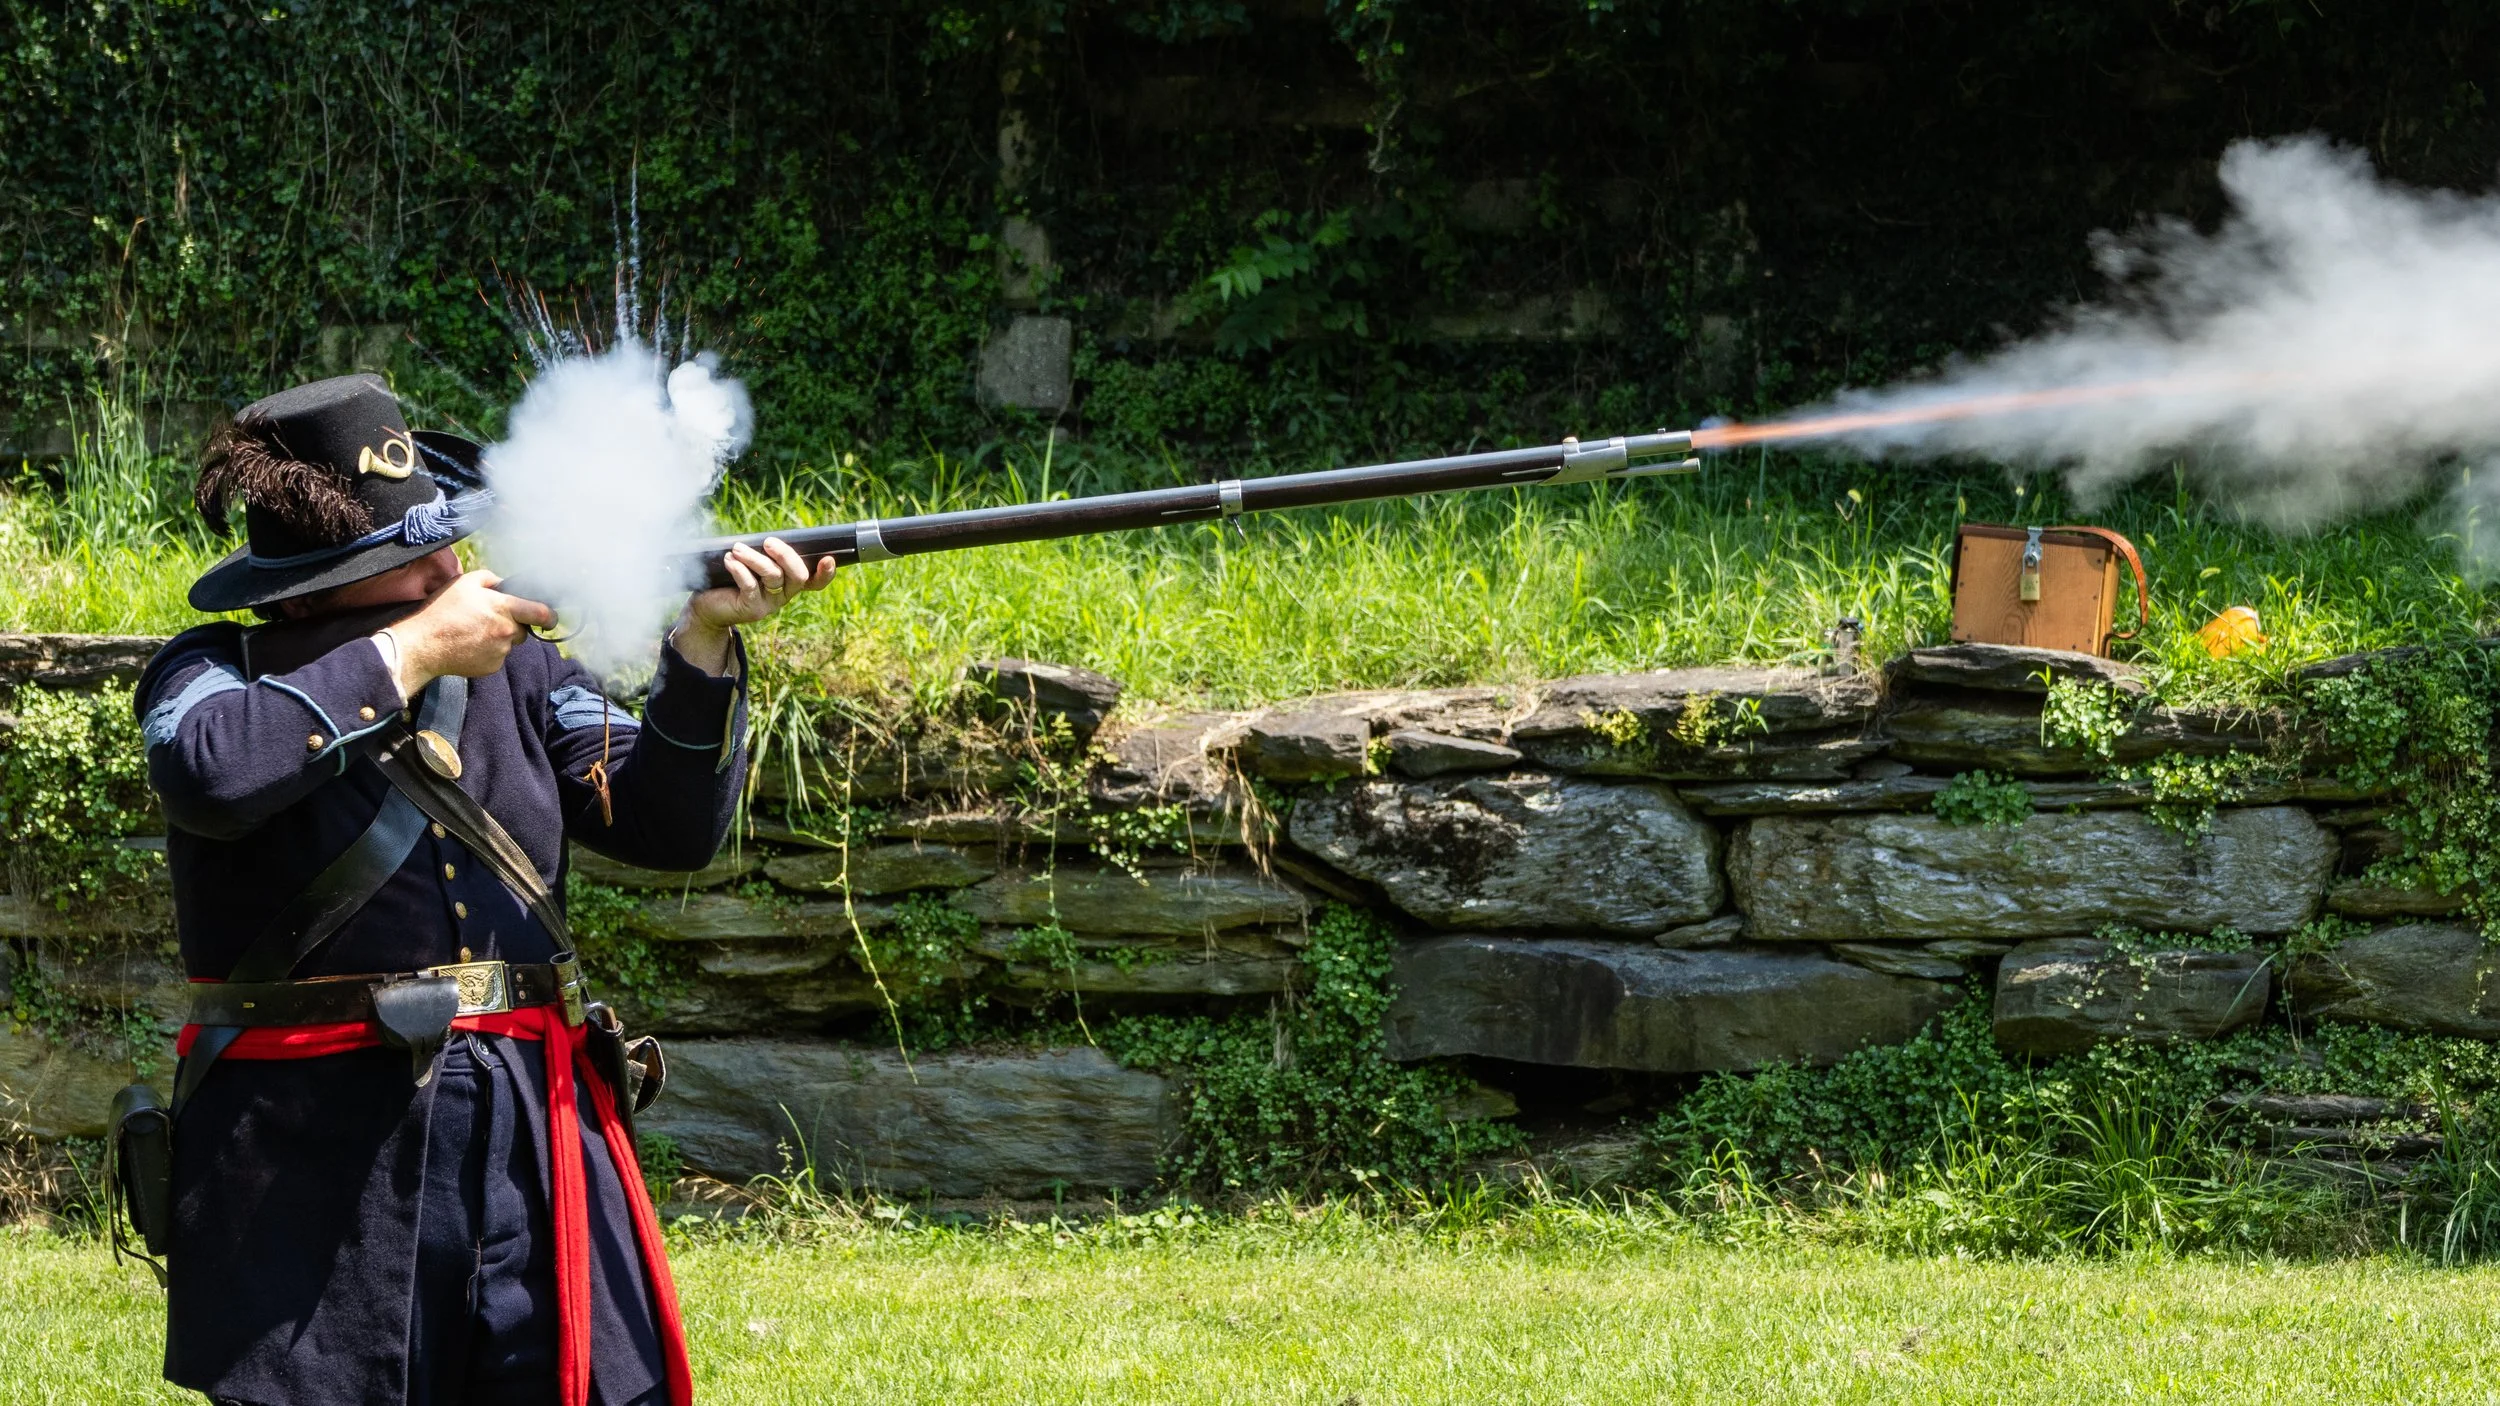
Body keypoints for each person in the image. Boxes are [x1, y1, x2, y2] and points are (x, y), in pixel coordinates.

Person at [132, 372, 831, 1406]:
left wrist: (703, 644)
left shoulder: (525, 673)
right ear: (321, 583)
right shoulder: (212, 670)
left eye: (442, 549)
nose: (453, 573)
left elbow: (667, 826)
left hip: (534, 1120)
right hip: (308, 1142)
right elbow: (210, 773)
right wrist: (412, 649)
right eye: (414, 564)